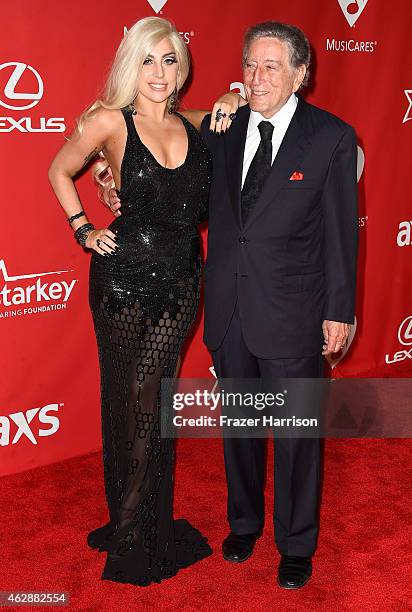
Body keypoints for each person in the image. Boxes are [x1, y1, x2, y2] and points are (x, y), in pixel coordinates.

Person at [103, 20, 358, 590]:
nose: (258, 76)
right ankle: (243, 524)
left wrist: (339, 308)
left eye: (272, 66)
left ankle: (296, 543)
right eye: (250, 66)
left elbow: (343, 234)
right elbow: (167, 174)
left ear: (300, 74)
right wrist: (111, 179)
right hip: (230, 308)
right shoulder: (220, 128)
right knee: (240, 428)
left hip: (295, 310)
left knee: (296, 437)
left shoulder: (333, 138)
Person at [48, 16, 239, 587]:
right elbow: (60, 168)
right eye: (150, 60)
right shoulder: (111, 121)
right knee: (129, 402)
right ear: (133, 63)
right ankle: (132, 528)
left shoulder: (199, 123)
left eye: (171, 59)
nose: (160, 72)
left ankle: (139, 518)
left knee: (151, 402)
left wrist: (231, 93)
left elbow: (246, 109)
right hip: (122, 280)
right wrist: (82, 227)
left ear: (182, 67)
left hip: (180, 282)